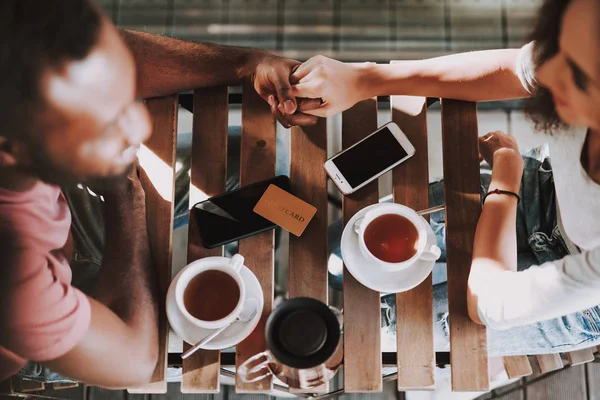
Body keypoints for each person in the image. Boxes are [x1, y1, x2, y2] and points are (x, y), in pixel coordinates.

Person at [0, 0, 318, 388]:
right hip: (33, 325)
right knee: (166, 331)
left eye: (125, 94)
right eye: (104, 122)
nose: (141, 125)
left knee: (274, 164)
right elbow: (134, 362)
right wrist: (126, 195)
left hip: (60, 208)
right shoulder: (15, 280)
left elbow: (99, 54)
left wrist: (248, 64)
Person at [292, 0, 600, 355]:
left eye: (577, 75)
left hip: (578, 299)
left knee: (379, 331)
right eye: (556, 48)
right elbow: (518, 70)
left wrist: (506, 182)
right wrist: (364, 79)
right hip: (545, 185)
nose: (546, 76)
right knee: (341, 250)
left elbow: (487, 302)